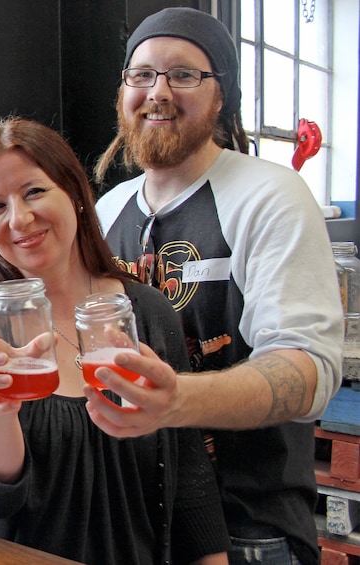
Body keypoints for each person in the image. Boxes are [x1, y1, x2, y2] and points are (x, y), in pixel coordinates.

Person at [91, 7, 343, 565]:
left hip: (249, 530)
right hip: (134, 528)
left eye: (183, 75)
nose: (158, 91)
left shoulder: (269, 195)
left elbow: (307, 370)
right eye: (142, 74)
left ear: (221, 95)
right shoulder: (107, 211)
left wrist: (176, 400)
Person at [0, 116, 229, 564]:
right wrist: (0, 411)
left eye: (34, 191)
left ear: (76, 194)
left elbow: (190, 481)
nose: (20, 218)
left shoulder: (149, 314)